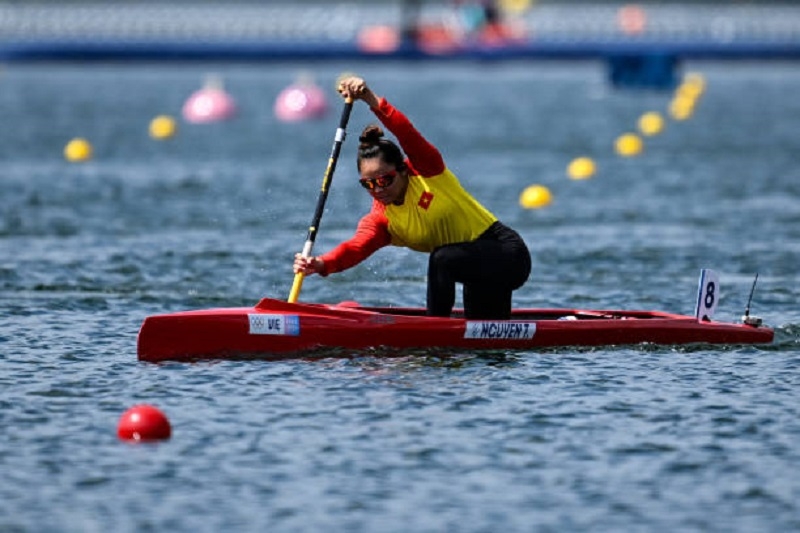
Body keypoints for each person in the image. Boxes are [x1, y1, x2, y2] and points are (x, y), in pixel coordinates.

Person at [293, 76, 531, 319]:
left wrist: (369, 98)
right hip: (473, 267)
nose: (378, 189)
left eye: (385, 179)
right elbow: (354, 248)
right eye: (369, 184)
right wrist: (320, 264)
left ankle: (435, 333)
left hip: (507, 254)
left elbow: (405, 132)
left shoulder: (428, 171)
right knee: (488, 343)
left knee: (442, 259)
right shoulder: (380, 220)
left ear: (403, 170)